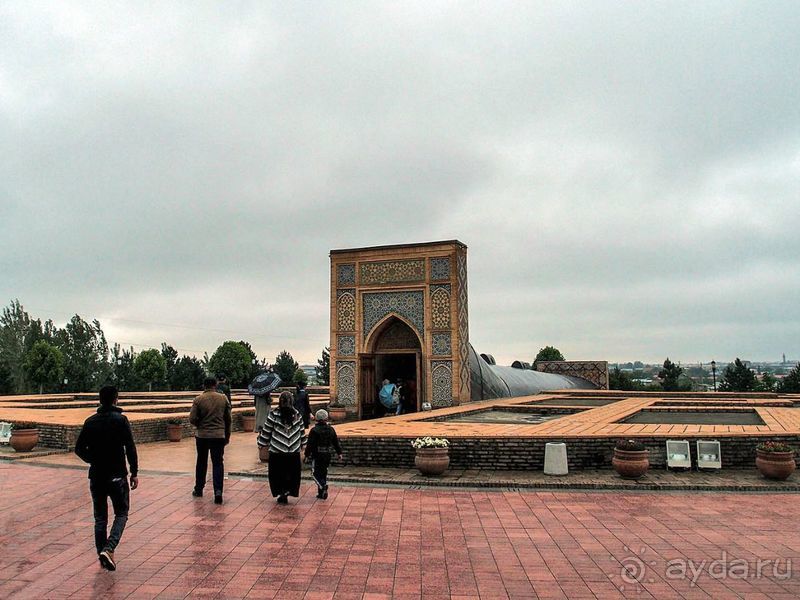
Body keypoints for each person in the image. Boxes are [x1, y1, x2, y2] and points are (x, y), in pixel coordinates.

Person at [74, 385, 139, 572]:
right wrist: (134, 472)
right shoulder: (121, 420)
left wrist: (93, 459)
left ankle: (102, 553)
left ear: (100, 400)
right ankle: (109, 548)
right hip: (117, 475)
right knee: (122, 513)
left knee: (100, 518)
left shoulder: (90, 422)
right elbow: (130, 448)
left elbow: (79, 449)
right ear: (116, 399)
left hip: (97, 476)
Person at [257, 390, 305, 504]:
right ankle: (288, 490)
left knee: (277, 474)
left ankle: (281, 492)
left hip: (277, 450)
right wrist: (303, 444)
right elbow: (301, 432)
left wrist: (261, 443)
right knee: (291, 474)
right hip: (293, 451)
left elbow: (267, 431)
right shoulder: (297, 415)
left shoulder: (274, 414)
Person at [189, 377, 231, 504]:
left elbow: (192, 418)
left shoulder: (198, 399)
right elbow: (228, 419)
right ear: (215, 385)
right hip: (218, 435)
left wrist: (199, 424)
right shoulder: (223, 398)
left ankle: (199, 488)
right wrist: (227, 435)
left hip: (202, 435)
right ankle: (218, 491)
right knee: (218, 463)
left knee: (201, 462)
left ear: (204, 385)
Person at [304, 409, 342, 500]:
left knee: (315, 473)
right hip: (327, 454)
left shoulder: (314, 430)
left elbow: (310, 444)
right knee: (323, 472)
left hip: (317, 455)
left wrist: (306, 455)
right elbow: (335, 442)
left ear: (316, 419)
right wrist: (339, 453)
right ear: (326, 418)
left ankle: (322, 486)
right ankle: (321, 493)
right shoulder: (331, 429)